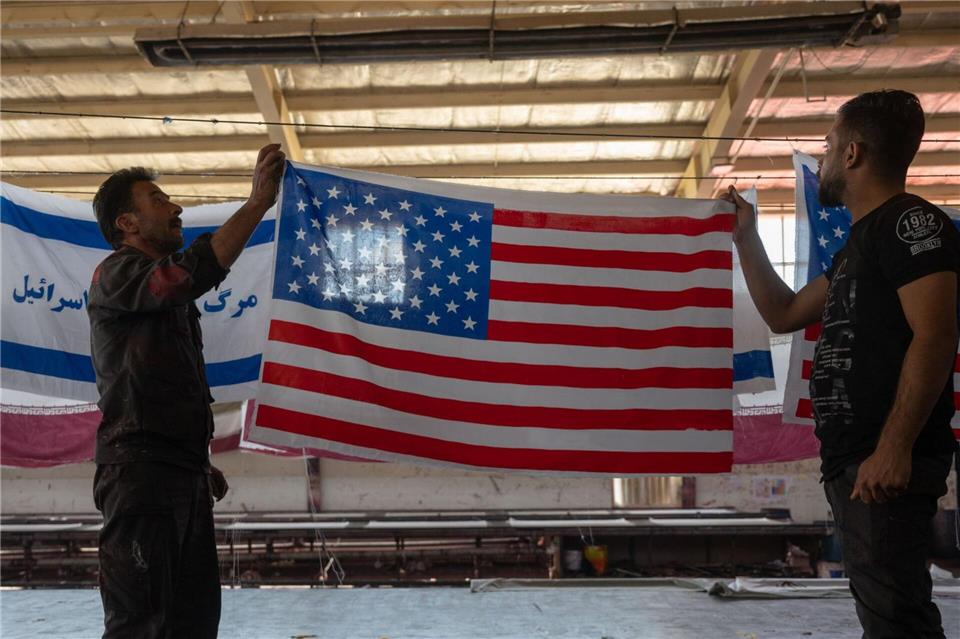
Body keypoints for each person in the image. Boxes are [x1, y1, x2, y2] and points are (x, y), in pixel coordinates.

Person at [724, 90, 958, 638]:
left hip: (884, 460)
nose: (823, 158)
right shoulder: (858, 246)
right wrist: (747, 237)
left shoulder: (910, 226)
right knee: (883, 608)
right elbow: (783, 313)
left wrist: (894, 448)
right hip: (854, 460)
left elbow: (937, 336)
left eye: (827, 146)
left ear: (852, 154)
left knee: (897, 616)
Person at [88, 143, 285, 638]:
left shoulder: (162, 297)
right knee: (144, 623)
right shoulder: (116, 275)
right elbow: (185, 277)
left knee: (191, 622)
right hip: (142, 475)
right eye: (158, 200)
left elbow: (159, 386)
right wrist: (258, 203)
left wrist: (197, 463)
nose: (175, 208)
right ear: (127, 224)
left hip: (173, 473)